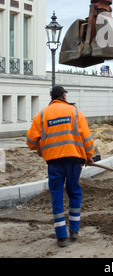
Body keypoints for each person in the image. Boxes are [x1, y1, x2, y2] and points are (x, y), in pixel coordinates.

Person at [26, 85, 94, 247]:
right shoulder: (75, 112)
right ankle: (74, 231)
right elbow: (86, 138)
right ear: (64, 96)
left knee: (56, 195)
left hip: (54, 162)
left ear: (52, 98)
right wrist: (89, 156)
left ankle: (61, 236)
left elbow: (30, 142)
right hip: (74, 160)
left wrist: (41, 149)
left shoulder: (42, 115)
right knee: (74, 192)